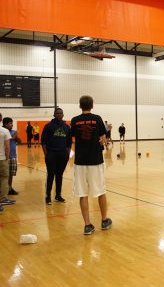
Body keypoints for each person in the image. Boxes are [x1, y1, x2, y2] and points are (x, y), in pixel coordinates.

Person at [71, 95, 112, 235]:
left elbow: (73, 138)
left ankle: (87, 225)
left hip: (80, 162)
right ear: (92, 105)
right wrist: (103, 142)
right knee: (100, 191)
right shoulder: (97, 119)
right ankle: (104, 220)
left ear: (80, 105)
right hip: (95, 160)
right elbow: (103, 138)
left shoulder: (74, 121)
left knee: (83, 194)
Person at [41, 108, 72, 205]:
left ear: (63, 115)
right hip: (51, 154)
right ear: (54, 115)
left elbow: (69, 142)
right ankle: (48, 196)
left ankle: (58, 195)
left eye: (61, 113)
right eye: (57, 113)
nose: (59, 114)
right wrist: (47, 154)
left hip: (63, 155)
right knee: (50, 175)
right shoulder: (48, 126)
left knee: (59, 175)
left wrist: (67, 154)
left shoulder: (67, 127)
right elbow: (43, 142)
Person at [3, 117, 22, 195]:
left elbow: (20, 142)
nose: (12, 125)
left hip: (13, 156)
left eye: (12, 123)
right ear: (5, 124)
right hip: (5, 157)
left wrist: (16, 137)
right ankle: (3, 189)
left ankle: (9, 188)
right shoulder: (3, 131)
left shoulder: (13, 131)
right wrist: (13, 137)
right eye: (10, 123)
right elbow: (6, 141)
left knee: (11, 174)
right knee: (4, 175)